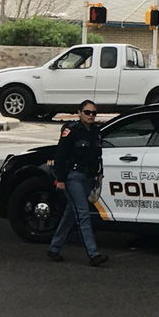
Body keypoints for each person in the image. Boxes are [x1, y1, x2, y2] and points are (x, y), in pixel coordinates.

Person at [47, 100, 109, 266]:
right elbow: (60, 155)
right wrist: (60, 179)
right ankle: (93, 254)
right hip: (73, 176)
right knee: (83, 214)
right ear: (79, 112)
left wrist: (98, 176)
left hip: (88, 178)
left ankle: (54, 248)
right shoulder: (72, 130)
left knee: (70, 214)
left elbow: (97, 156)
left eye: (93, 113)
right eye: (87, 112)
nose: (90, 116)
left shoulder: (95, 132)